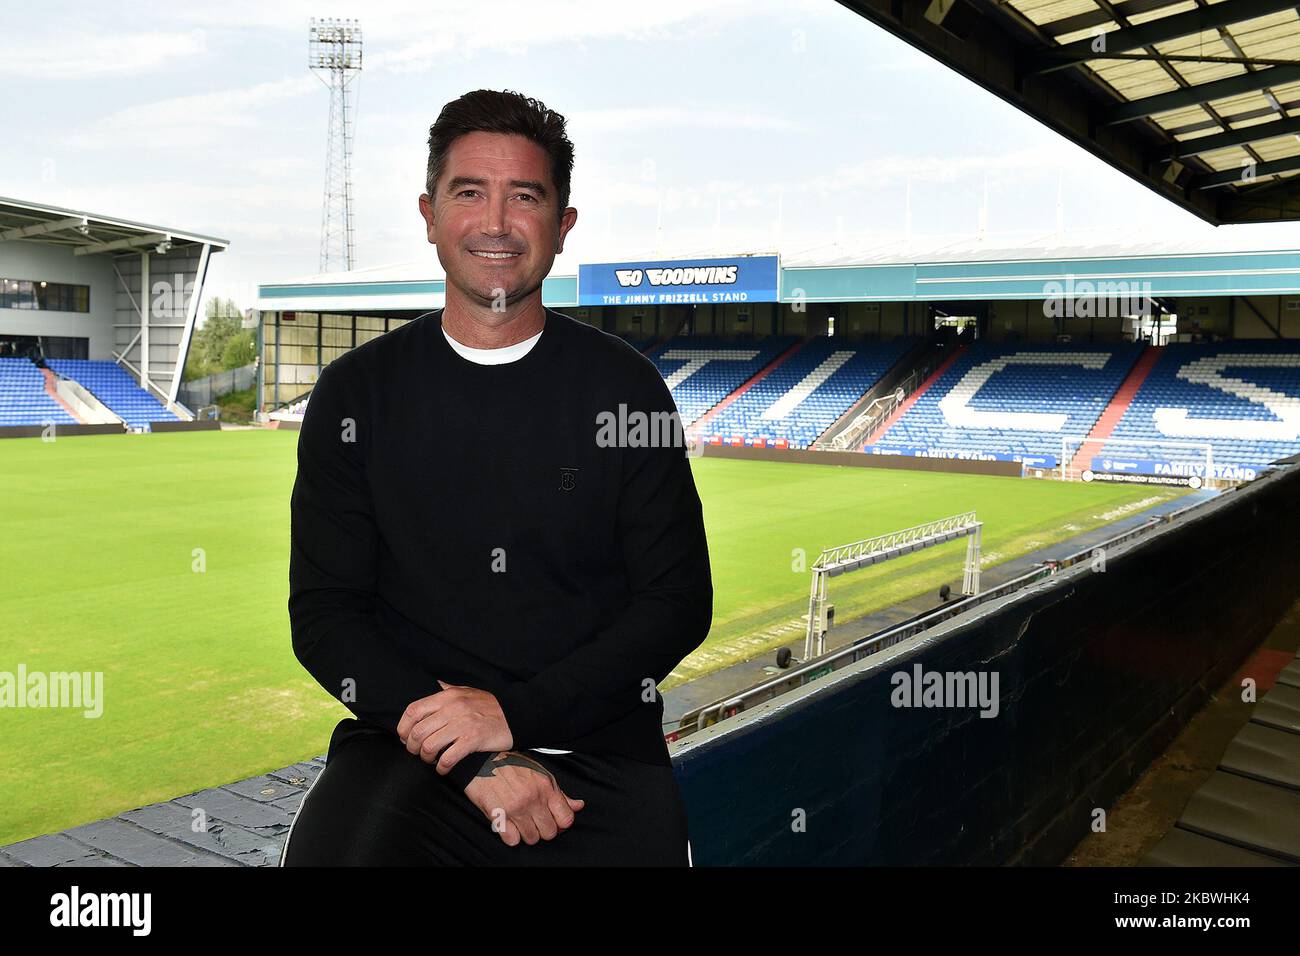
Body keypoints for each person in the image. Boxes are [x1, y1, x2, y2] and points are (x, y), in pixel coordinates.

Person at [280, 88, 713, 866]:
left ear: (563, 226)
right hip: (409, 745)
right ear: (429, 213)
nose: (495, 222)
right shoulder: (357, 393)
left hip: (601, 751)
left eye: (525, 196)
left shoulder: (627, 389)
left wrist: (511, 717)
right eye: (469, 192)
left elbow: (677, 605)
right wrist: (473, 751)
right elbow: (326, 616)